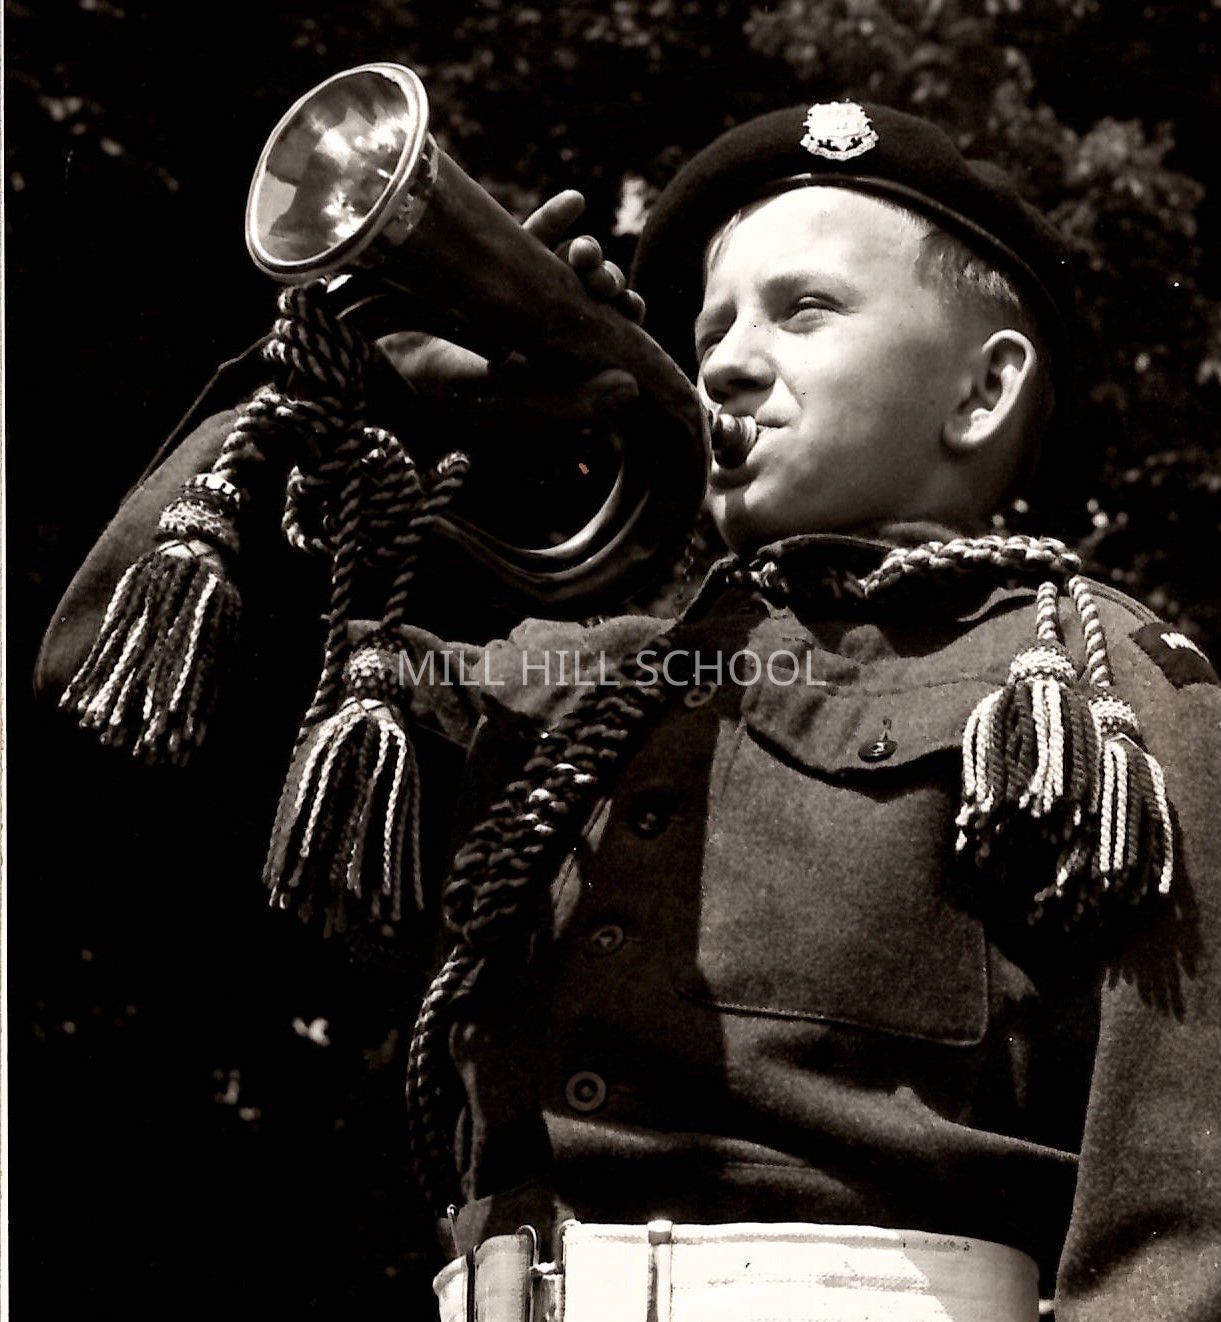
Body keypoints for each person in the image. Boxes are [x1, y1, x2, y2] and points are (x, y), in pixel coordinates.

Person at [37, 100, 1220, 1321]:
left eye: (805, 309)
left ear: (982, 390)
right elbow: (112, 678)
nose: (728, 364)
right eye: (712, 328)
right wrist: (377, 380)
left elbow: (1180, 1232)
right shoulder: (570, 678)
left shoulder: (1095, 679)